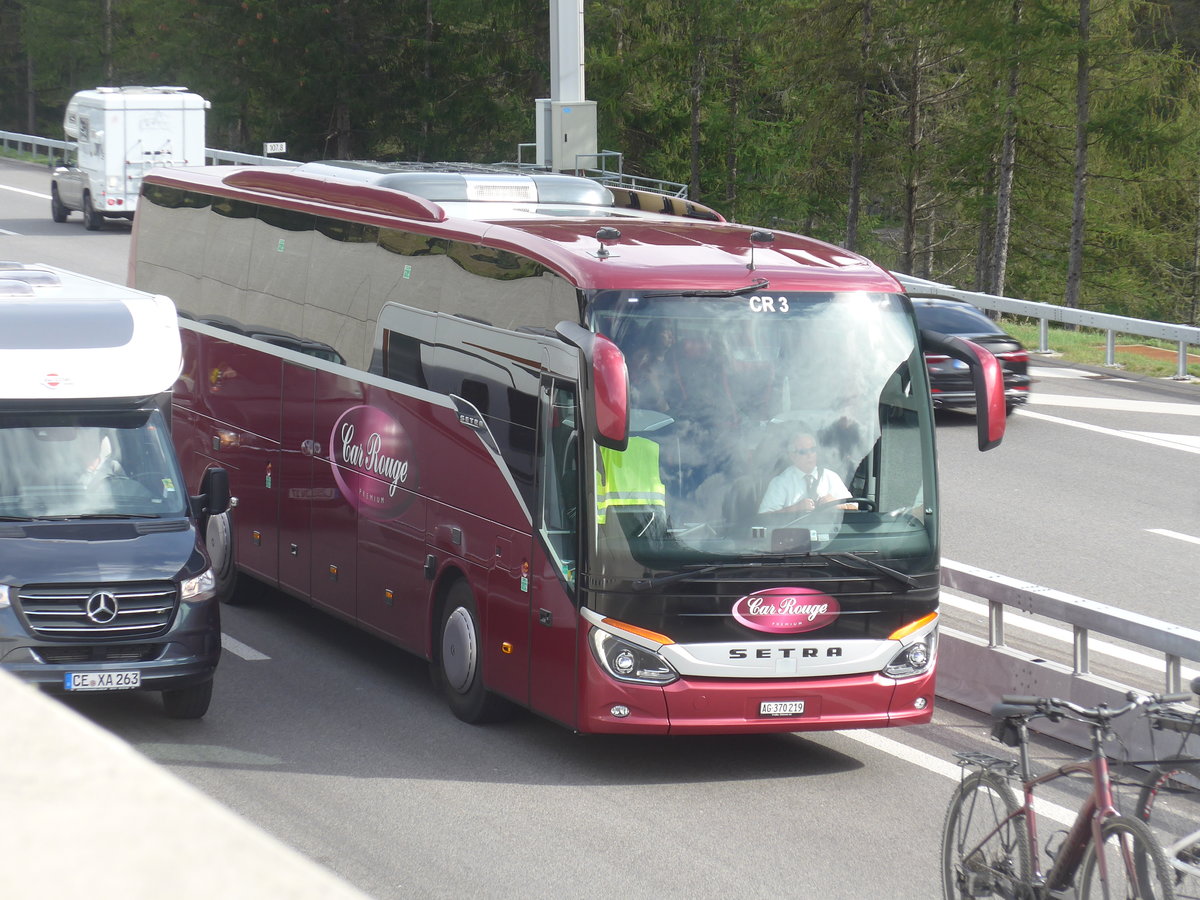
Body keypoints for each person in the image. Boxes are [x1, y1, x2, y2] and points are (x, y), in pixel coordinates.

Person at [757, 430, 851, 515]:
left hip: (830, 532)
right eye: (803, 452)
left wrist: (835, 505)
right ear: (792, 456)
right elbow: (764, 517)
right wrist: (795, 508)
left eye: (813, 450)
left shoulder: (830, 477)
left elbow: (855, 506)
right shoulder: (781, 482)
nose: (809, 455)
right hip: (793, 533)